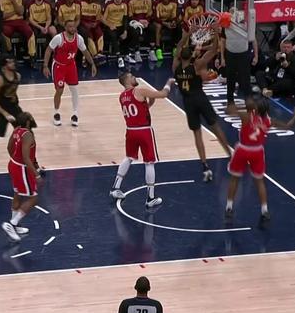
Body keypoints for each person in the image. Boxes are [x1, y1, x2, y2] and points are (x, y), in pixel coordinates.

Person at [225, 96, 295, 222]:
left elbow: (228, 110)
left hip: (243, 150)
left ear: (256, 108)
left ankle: (229, 207)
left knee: (235, 179)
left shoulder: (246, 116)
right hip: (257, 151)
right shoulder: (269, 120)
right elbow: (288, 126)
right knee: (259, 182)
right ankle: (265, 210)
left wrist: (244, 106)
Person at [110, 72, 176, 207]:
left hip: (130, 131)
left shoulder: (122, 96)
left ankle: (115, 188)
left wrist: (150, 98)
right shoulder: (139, 90)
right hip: (144, 131)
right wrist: (169, 83)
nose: (134, 77)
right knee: (149, 162)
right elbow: (163, 94)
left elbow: (142, 107)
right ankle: (150, 198)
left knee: (129, 157)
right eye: (131, 76)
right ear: (127, 81)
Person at [173, 40, 232, 181]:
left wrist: (188, 33)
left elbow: (178, 46)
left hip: (188, 103)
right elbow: (214, 50)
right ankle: (230, 155)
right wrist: (216, 33)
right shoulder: (197, 65)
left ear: (180, 56)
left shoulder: (175, 67)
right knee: (216, 128)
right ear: (191, 55)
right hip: (200, 98)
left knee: (197, 135)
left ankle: (205, 166)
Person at [43, 19, 97, 127]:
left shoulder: (79, 38)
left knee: (75, 90)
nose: (73, 28)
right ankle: (56, 112)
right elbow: (48, 50)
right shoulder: (59, 38)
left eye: (74, 26)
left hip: (71, 66)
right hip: (59, 66)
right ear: (65, 28)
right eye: (70, 27)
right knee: (59, 90)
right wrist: (45, 66)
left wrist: (92, 63)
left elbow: (85, 51)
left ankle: (75, 114)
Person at [2, 111, 40, 242]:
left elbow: (9, 147)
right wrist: (37, 175)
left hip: (13, 164)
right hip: (21, 168)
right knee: (34, 198)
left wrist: (15, 159)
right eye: (31, 117)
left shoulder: (17, 130)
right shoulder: (28, 135)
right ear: (28, 122)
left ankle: (15, 225)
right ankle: (12, 224)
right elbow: (26, 157)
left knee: (17, 194)